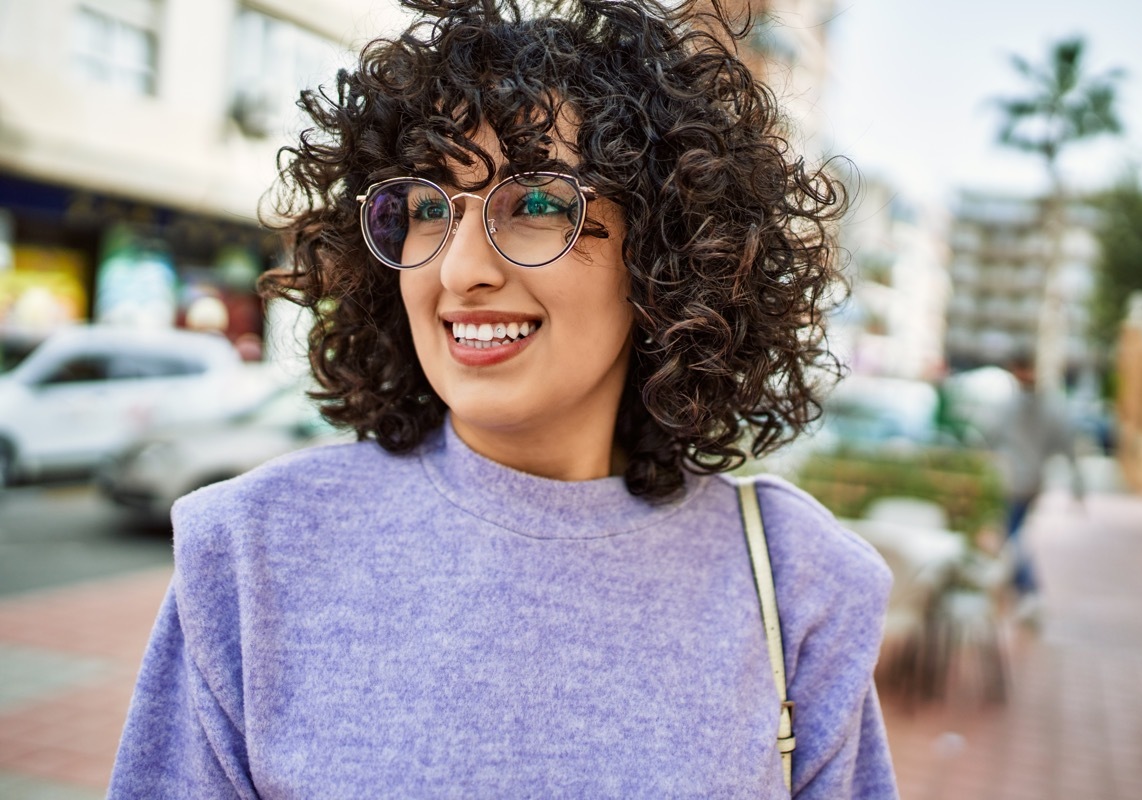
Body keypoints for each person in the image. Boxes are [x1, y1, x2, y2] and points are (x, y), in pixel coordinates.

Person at [108, 0, 897, 796]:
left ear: (665, 251)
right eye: (424, 209)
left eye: (539, 204)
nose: (458, 271)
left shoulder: (800, 586)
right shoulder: (250, 556)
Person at [994, 351, 1082, 623]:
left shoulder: (1017, 403)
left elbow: (988, 434)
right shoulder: (1047, 403)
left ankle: (1029, 588)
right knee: (1013, 535)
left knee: (1012, 536)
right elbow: (1066, 443)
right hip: (1027, 480)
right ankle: (1021, 588)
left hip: (1016, 482)